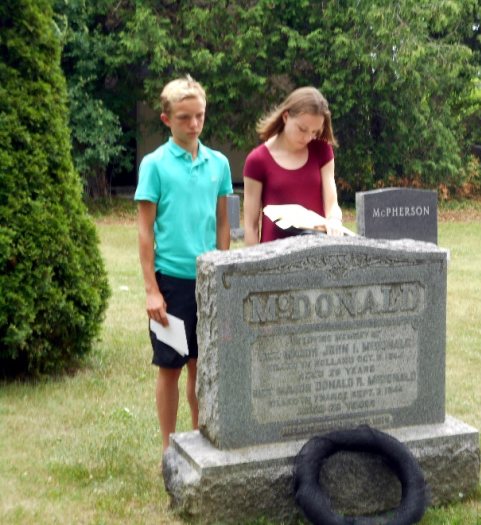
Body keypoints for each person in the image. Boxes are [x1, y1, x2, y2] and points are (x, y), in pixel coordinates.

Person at [135, 75, 233, 452]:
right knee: (171, 367)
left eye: (200, 116)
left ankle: (199, 443)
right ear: (166, 120)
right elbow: (145, 230)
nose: (194, 125)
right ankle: (168, 448)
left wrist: (221, 269)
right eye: (184, 118)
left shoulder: (219, 163)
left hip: (206, 283)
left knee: (201, 368)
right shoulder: (155, 165)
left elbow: (223, 221)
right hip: (171, 284)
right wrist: (151, 290)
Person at [243, 86, 345, 245]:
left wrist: (334, 220)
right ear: (286, 117)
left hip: (316, 251)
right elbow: (251, 226)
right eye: (302, 129)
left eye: (314, 132)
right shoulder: (257, 160)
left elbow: (332, 203)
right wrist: (254, 265)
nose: (308, 138)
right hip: (273, 255)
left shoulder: (322, 150)